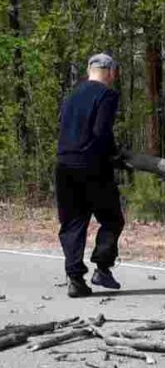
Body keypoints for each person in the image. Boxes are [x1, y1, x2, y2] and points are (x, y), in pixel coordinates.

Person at [56, 52, 125, 297]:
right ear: (110, 71)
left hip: (64, 164)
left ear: (89, 70)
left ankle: (75, 278)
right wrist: (114, 155)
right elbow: (101, 131)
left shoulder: (71, 95)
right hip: (92, 166)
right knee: (112, 219)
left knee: (73, 222)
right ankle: (102, 268)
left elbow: (64, 126)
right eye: (115, 72)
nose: (115, 77)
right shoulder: (106, 94)